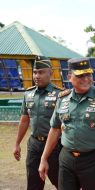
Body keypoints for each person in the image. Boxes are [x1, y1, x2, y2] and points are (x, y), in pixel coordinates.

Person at [38, 57, 95, 190]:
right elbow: (55, 129)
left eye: (88, 74)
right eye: (80, 75)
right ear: (69, 76)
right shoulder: (62, 98)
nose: (86, 79)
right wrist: (44, 158)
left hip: (93, 160)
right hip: (66, 159)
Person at [13, 56, 63, 190]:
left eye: (41, 72)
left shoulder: (60, 95)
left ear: (50, 73)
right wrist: (17, 144)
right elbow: (24, 120)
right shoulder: (28, 94)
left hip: (55, 147)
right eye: (35, 72)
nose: (37, 76)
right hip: (34, 145)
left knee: (61, 183)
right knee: (33, 184)